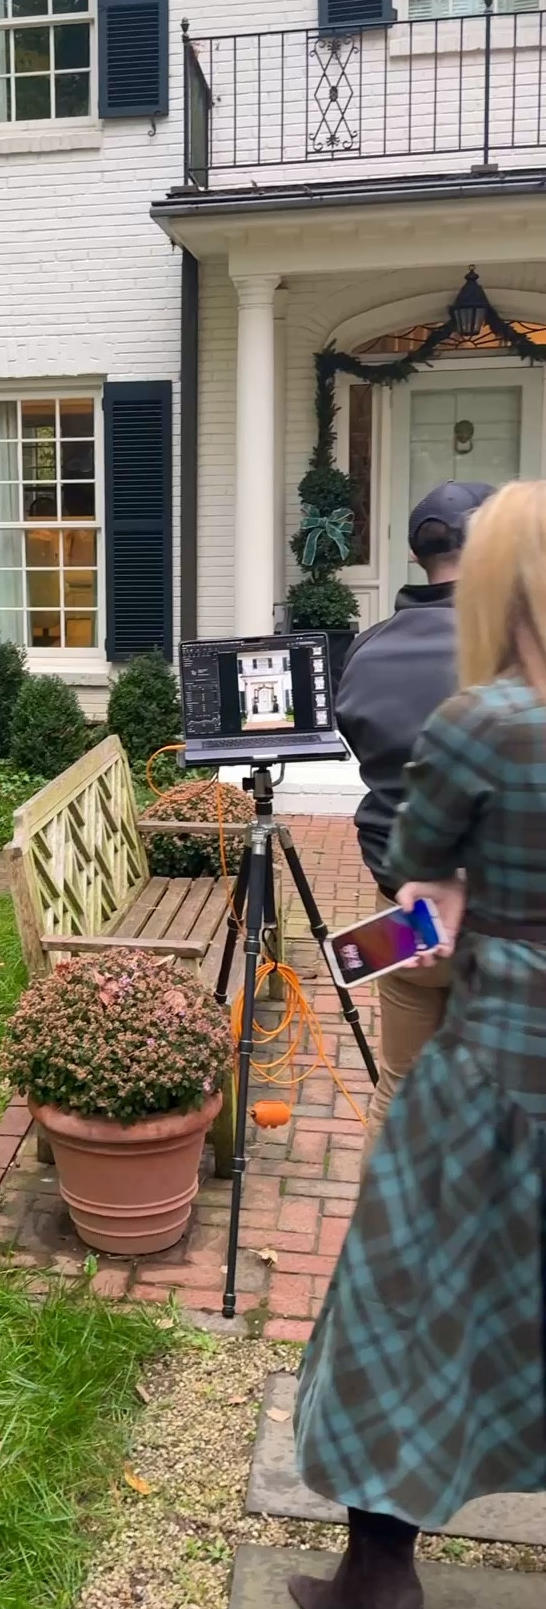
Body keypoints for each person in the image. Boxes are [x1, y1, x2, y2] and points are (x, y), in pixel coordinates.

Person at [292, 479, 546, 1609]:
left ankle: (378, 1584)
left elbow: (424, 890)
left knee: (400, 1298)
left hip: (497, 1062)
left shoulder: (481, 721)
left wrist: (374, 937)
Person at [336, 479, 496, 1156]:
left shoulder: (366, 648)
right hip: (502, 918)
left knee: (399, 1085)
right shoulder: (521, 648)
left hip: (405, 912)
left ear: (416, 554)